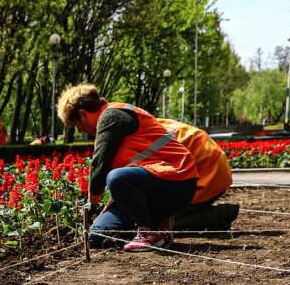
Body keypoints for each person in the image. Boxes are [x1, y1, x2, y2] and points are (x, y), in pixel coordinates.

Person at [57, 83, 198, 253]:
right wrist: (118, 197)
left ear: (82, 115)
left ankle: (150, 233)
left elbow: (99, 166)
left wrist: (91, 207)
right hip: (152, 185)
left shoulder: (111, 116)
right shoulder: (111, 118)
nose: (80, 130)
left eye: (76, 125)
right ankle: (155, 227)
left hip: (177, 182)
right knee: (96, 236)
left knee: (116, 178)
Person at [156, 117, 239, 232]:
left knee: (158, 225)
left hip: (208, 173)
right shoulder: (141, 121)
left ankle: (220, 216)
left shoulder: (133, 140)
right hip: (212, 162)